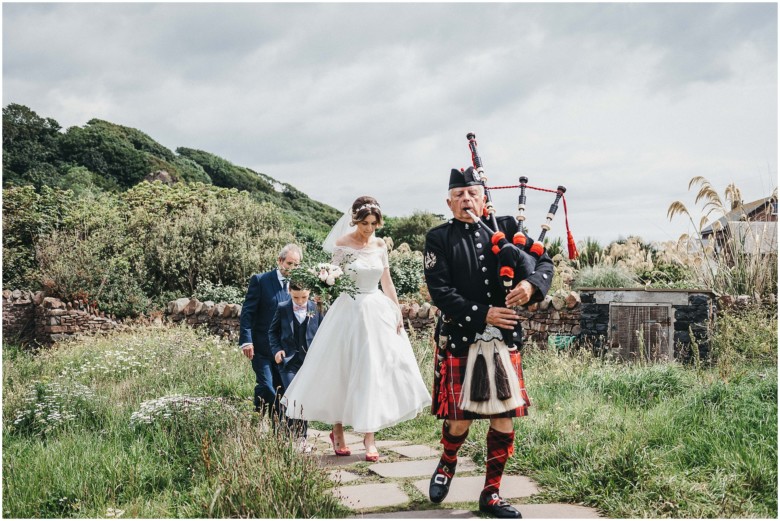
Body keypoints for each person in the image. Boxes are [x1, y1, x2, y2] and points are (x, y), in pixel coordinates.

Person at [423, 168, 554, 518]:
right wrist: (485, 314)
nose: (467, 199)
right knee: (460, 419)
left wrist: (532, 287)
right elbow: (441, 293)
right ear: (449, 202)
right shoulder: (439, 238)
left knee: (504, 418)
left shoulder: (507, 227)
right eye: (460, 194)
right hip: (462, 337)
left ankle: (491, 494)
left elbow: (544, 262)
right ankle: (448, 462)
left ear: (484, 198)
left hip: (505, 339)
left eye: (473, 193)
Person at [282, 196, 431, 461]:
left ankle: (369, 438)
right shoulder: (342, 244)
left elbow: (387, 281)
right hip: (347, 312)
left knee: (372, 370)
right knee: (341, 370)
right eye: (365, 223)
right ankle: (337, 431)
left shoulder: (380, 244)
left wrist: (396, 310)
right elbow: (331, 278)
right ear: (355, 221)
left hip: (375, 312)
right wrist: (325, 280)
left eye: (374, 223)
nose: (369, 228)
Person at [239, 244, 302, 418]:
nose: (293, 268)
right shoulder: (261, 280)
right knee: (268, 386)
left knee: (278, 388)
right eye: (290, 263)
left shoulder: (299, 285)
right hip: (262, 348)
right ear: (279, 261)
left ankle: (266, 423)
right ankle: (264, 418)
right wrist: (246, 340)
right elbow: (247, 313)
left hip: (285, 350)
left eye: (297, 265)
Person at [268, 282, 323, 450]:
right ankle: (293, 436)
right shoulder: (283, 307)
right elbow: (272, 332)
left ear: (310, 293)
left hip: (309, 362)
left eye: (304, 297)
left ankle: (301, 438)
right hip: (289, 363)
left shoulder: (317, 308)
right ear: (289, 292)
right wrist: (277, 351)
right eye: (296, 297)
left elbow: (323, 333)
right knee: (293, 396)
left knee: (303, 398)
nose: (300, 301)